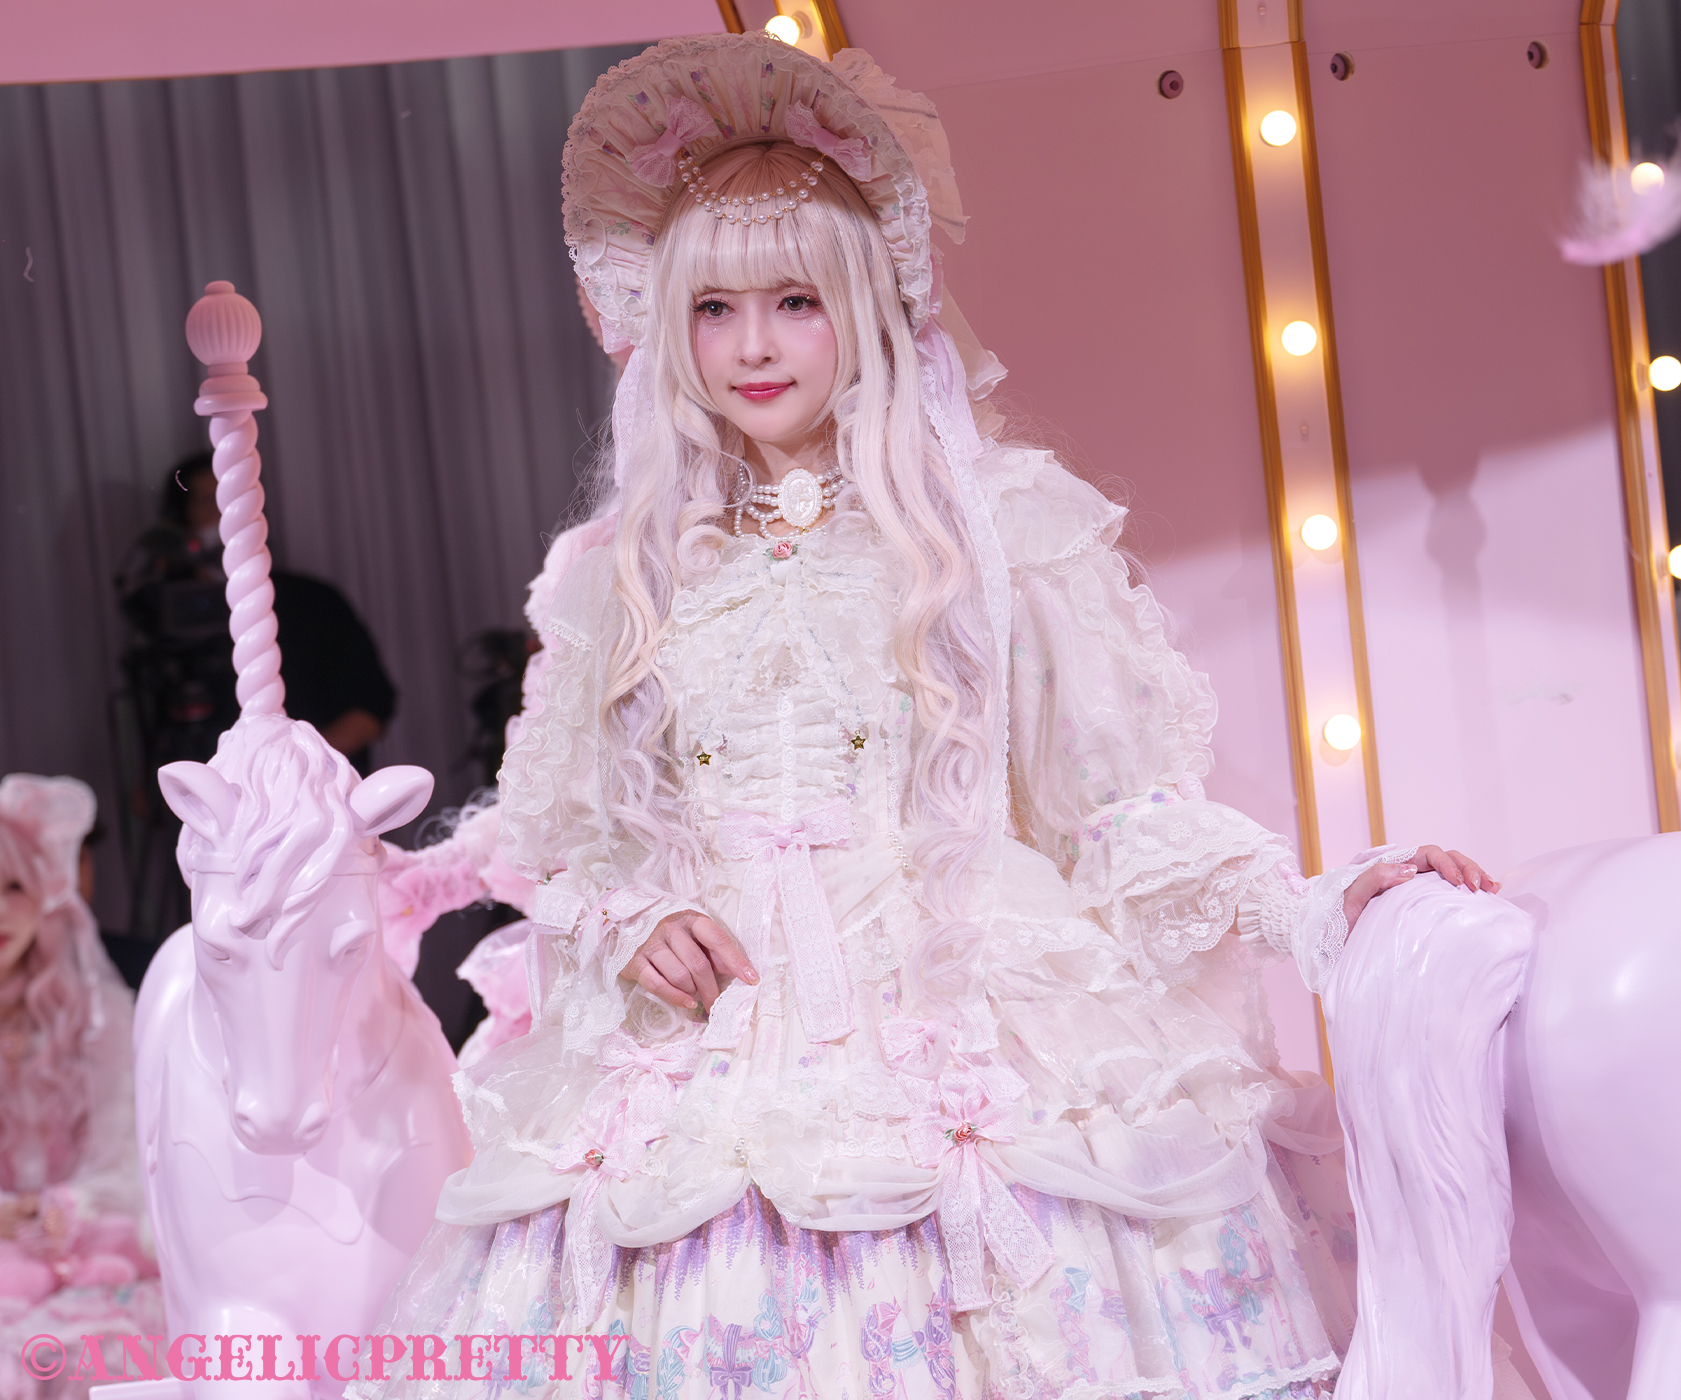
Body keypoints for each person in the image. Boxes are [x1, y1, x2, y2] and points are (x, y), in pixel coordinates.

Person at [357, 36, 1500, 1398]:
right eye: (714, 309)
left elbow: (1116, 812)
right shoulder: (622, 573)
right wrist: (628, 917)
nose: (754, 346)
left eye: (796, 300)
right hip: (701, 1059)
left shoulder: (997, 530)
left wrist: (1314, 902)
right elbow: (574, 838)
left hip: (959, 1017)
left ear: (869, 303)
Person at [0, 776, 161, 1400]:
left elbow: (133, 1153)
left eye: (15, 887)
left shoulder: (98, 1015)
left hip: (94, 1246)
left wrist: (69, 1208)